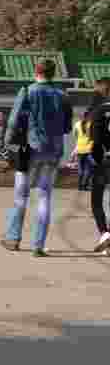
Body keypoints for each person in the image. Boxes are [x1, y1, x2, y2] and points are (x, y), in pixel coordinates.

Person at [1, 59, 72, 258]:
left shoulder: (27, 91)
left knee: (21, 196)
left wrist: (7, 145)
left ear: (36, 71)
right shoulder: (63, 95)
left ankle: (13, 239)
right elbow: (67, 127)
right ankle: (38, 246)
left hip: (30, 149)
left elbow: (14, 121)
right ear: (53, 73)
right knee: (44, 197)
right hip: (53, 151)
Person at [87, 78, 110, 253]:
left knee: (97, 201)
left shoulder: (99, 111)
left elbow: (95, 142)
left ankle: (104, 232)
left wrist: (96, 159)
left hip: (106, 161)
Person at [73, 108, 95, 191]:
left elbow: (75, 136)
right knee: (90, 168)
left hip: (79, 149)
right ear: (88, 116)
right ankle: (84, 185)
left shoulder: (77, 124)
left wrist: (78, 143)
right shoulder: (91, 124)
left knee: (80, 169)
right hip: (89, 150)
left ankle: (80, 186)